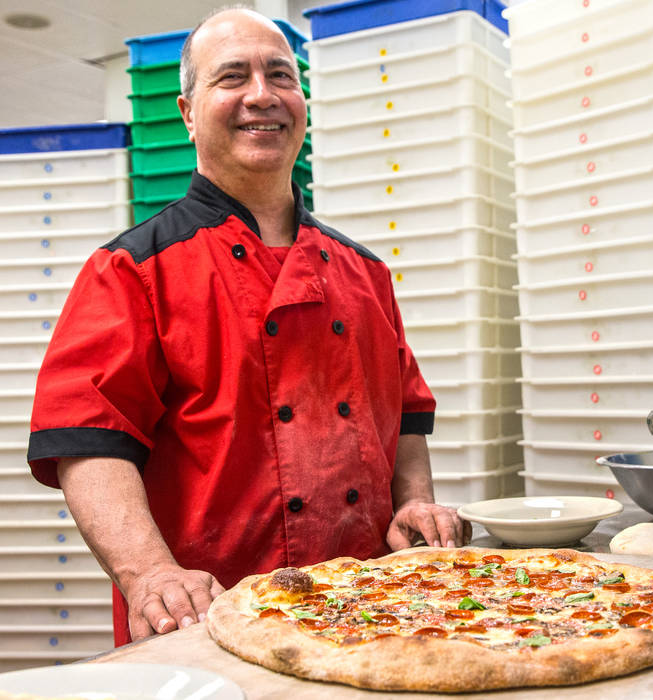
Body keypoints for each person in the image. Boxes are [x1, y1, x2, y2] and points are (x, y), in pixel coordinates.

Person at [26, 8, 470, 647]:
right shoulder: (131, 269)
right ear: (185, 112)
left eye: (280, 76)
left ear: (303, 103)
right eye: (231, 77)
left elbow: (402, 417)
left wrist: (412, 505)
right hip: (209, 622)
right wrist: (149, 572)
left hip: (368, 613)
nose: (261, 95)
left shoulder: (365, 272)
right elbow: (90, 442)